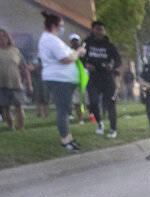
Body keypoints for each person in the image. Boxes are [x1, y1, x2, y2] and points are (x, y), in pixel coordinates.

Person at [37, 11, 85, 151]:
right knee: (63, 111)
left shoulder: (51, 39)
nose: (62, 28)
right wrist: (79, 52)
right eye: (61, 25)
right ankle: (65, 140)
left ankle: (68, 138)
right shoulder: (50, 40)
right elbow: (65, 59)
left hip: (63, 80)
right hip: (58, 80)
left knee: (65, 110)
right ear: (54, 25)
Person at [83, 21, 120, 137]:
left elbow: (119, 60)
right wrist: (86, 64)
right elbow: (80, 56)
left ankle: (113, 129)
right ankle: (99, 123)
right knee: (93, 102)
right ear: (93, 30)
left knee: (110, 104)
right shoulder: (87, 43)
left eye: (102, 29)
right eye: (97, 29)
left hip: (107, 78)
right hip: (94, 78)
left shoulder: (109, 45)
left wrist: (112, 66)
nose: (100, 32)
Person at [0, 28, 32, 131]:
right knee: (6, 107)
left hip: (16, 84)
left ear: (8, 38)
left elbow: (24, 68)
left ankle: (21, 127)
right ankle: (11, 127)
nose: (2, 39)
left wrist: (29, 84)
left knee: (18, 106)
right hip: (1, 85)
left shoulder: (15, 51)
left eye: (4, 36)